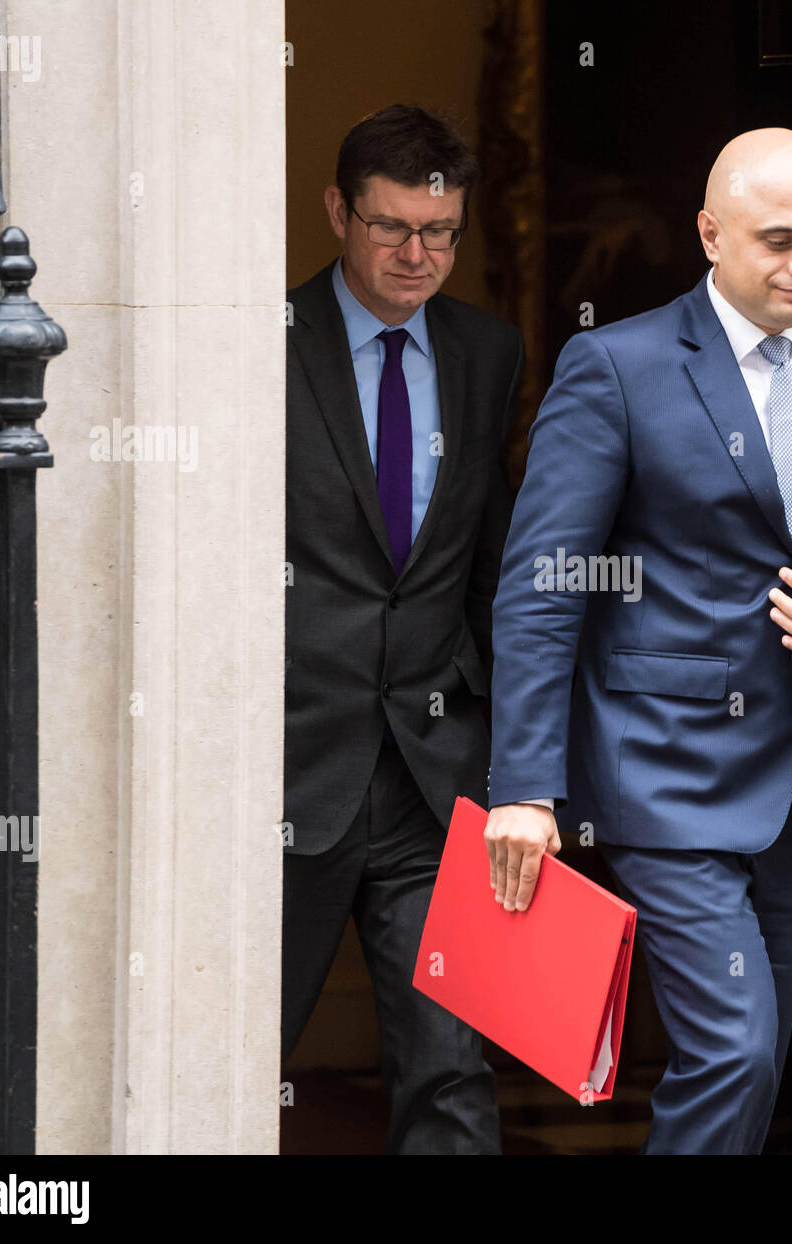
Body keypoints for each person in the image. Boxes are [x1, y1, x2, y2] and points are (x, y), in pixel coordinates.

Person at [483, 127, 792, 1154]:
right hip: (660, 770)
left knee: (755, 1057)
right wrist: (523, 785)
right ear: (710, 232)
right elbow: (540, 585)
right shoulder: (615, 365)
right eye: (780, 239)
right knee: (735, 1050)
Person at [283, 104, 523, 1154]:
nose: (417, 254)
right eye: (390, 228)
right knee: (235, 1059)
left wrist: (516, 761)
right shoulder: (260, 344)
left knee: (448, 1069)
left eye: (440, 232)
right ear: (339, 211)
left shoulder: (488, 352)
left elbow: (490, 569)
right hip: (286, 770)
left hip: (433, 772)